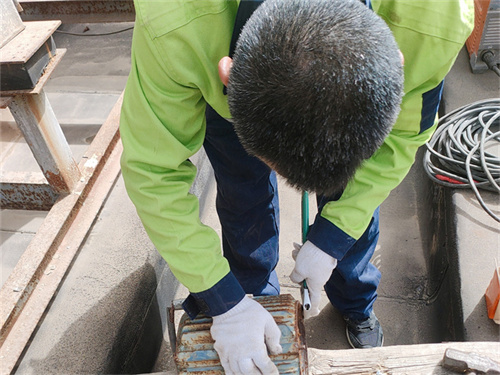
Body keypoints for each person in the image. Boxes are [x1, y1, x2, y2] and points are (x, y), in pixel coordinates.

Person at [119, 0, 473, 373]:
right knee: (244, 197)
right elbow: (152, 170)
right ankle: (253, 298)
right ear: (229, 73)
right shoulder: (174, 19)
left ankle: (356, 303)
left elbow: (402, 139)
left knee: (354, 204)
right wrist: (221, 298)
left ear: (396, 63)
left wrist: (336, 234)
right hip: (222, 80)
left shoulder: (436, 17)